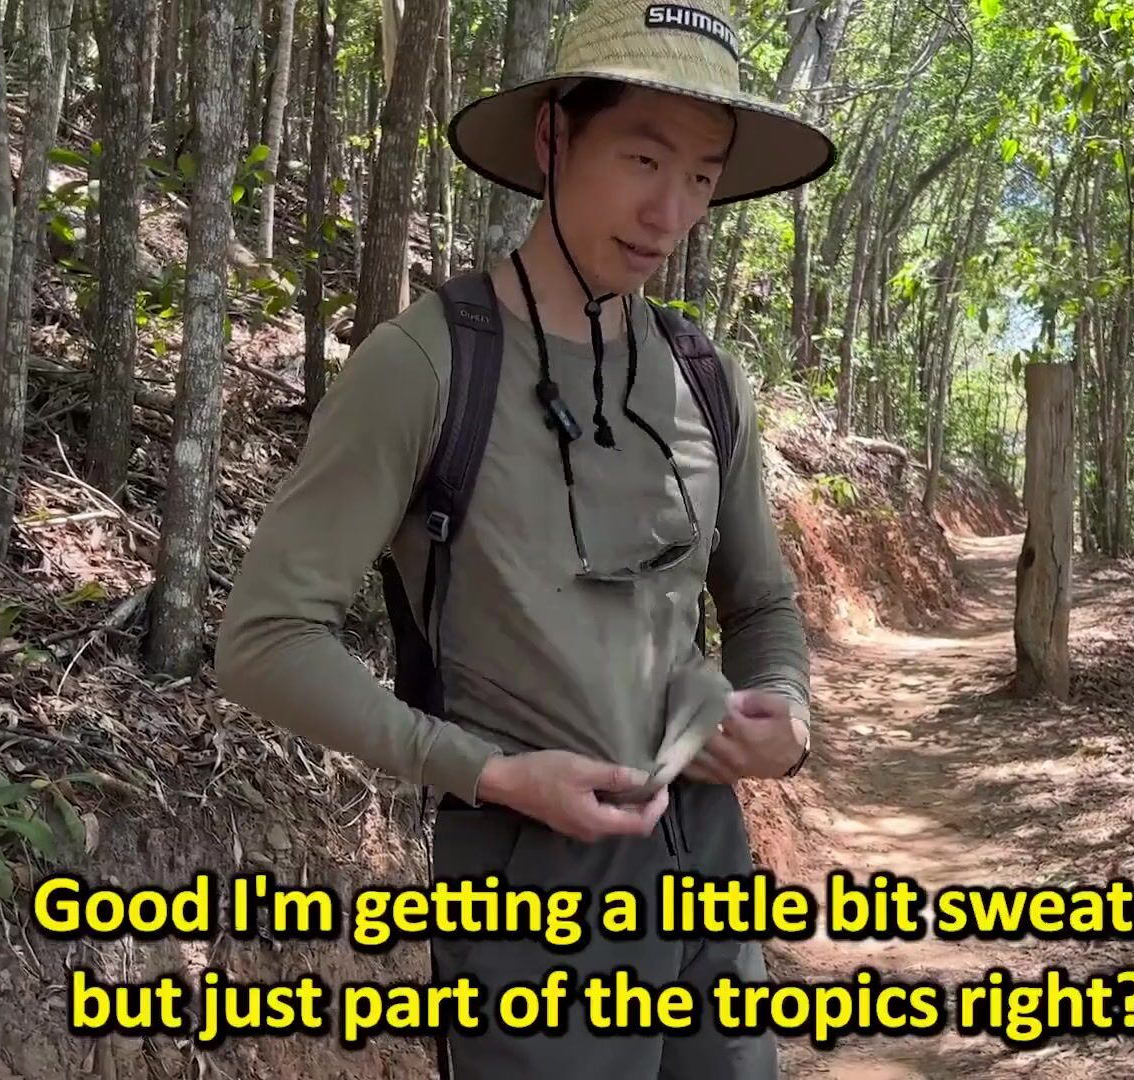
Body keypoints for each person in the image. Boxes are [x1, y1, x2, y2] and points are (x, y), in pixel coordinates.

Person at [213, 0, 837, 1074]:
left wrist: (789, 717)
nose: (671, 212)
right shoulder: (427, 367)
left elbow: (763, 604)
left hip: (710, 873)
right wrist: (488, 774)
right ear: (554, 136)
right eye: (643, 158)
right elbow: (265, 640)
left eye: (701, 176)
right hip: (527, 899)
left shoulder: (702, 377)